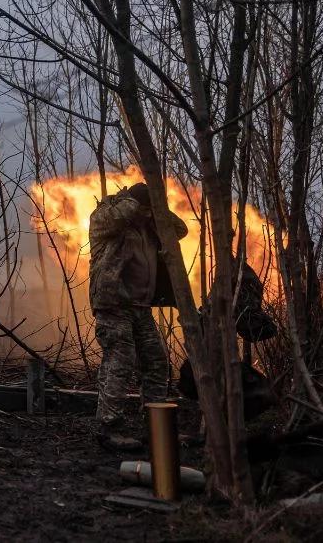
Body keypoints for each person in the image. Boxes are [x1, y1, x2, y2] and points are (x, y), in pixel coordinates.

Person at [88, 182, 188, 451]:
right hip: (114, 305)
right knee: (120, 362)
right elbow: (118, 217)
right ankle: (109, 429)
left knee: (156, 363)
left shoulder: (150, 223)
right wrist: (134, 200)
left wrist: (157, 207)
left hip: (140, 308)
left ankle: (156, 428)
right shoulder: (106, 216)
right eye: (144, 205)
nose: (145, 211)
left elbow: (180, 229)